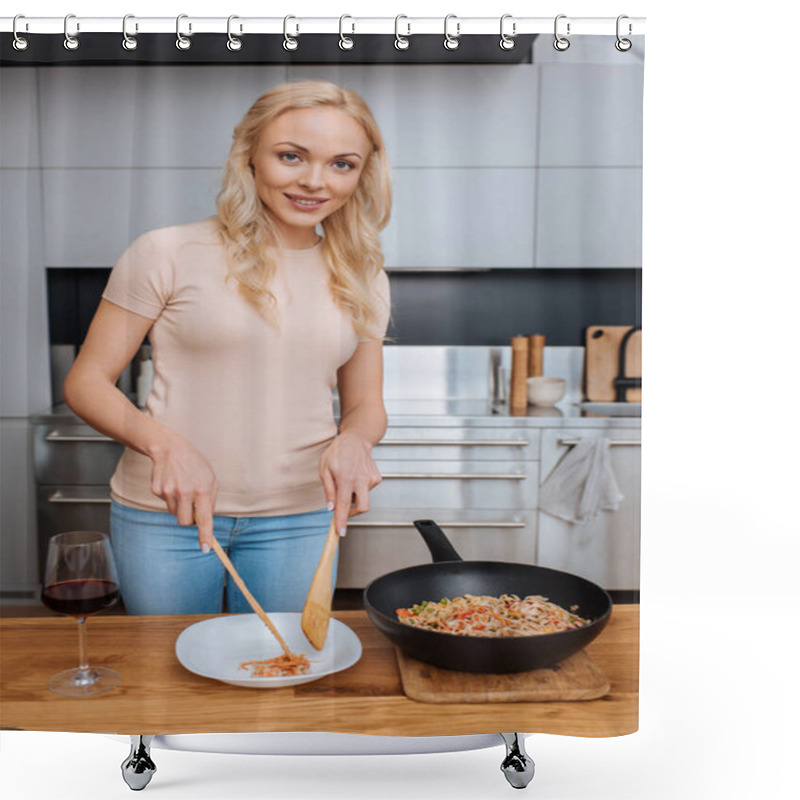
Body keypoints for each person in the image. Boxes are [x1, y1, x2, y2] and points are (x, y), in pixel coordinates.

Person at [64, 81, 392, 615]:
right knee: (167, 683)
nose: (314, 181)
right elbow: (85, 382)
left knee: (280, 675)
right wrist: (165, 447)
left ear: (362, 174)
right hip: (167, 513)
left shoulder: (363, 274)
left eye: (341, 164)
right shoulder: (165, 251)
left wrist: (356, 440)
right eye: (291, 156)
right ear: (250, 157)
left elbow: (365, 405)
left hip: (301, 517)